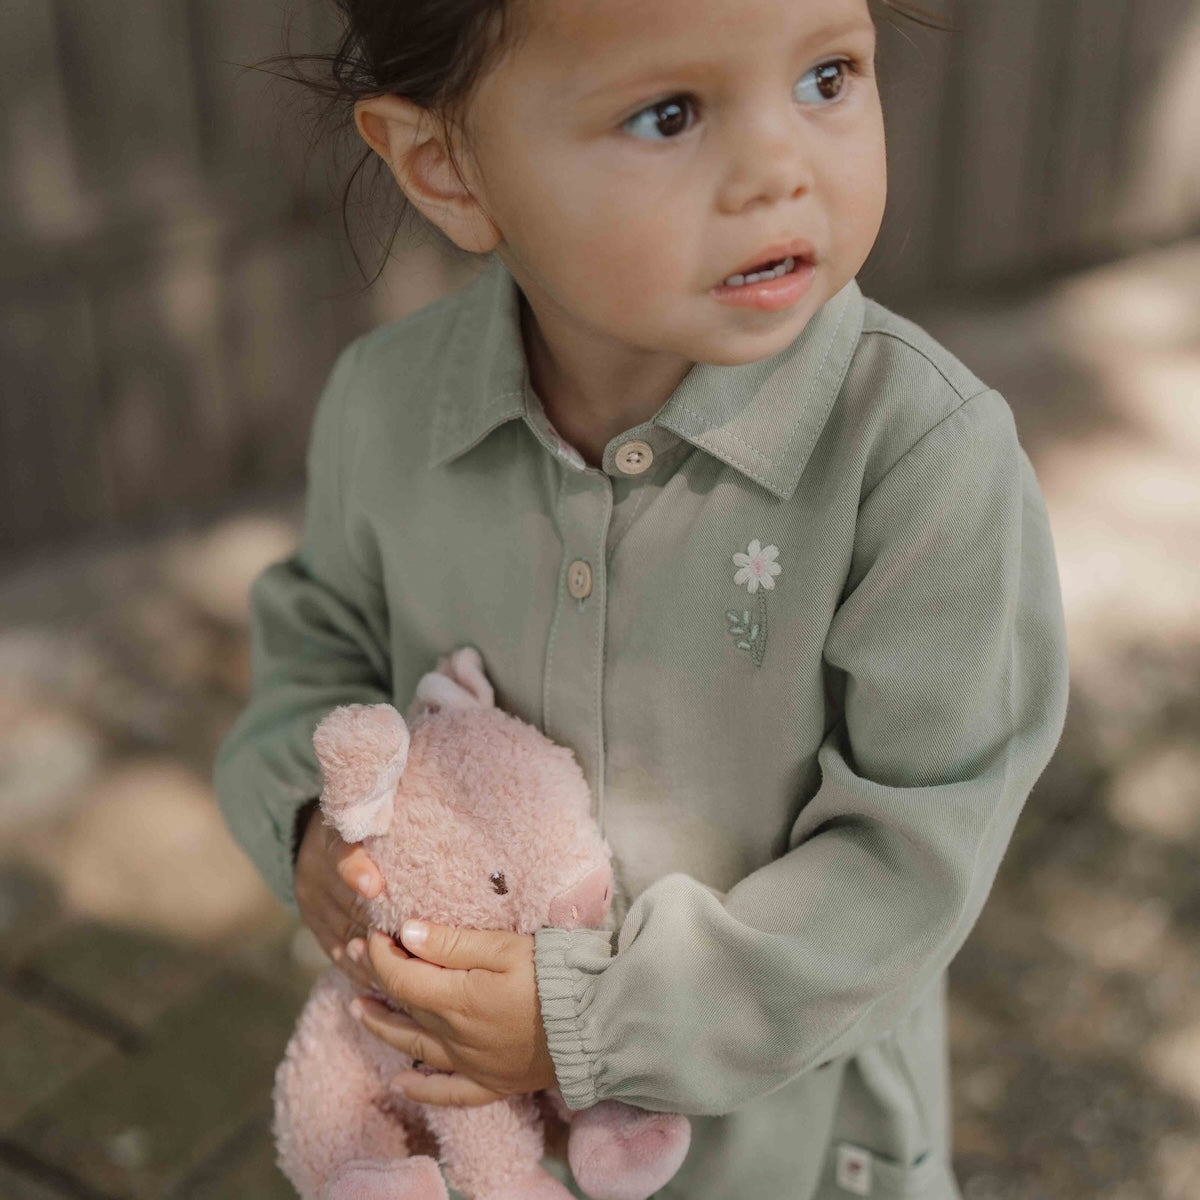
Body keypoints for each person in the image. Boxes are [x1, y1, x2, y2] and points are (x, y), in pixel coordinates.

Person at [213, 0, 1069, 1195]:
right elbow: (315, 650)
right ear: (445, 167)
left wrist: (594, 1016)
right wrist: (311, 820)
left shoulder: (920, 459)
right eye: (669, 113)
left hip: (791, 1155)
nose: (781, 168)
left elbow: (913, 855)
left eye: (827, 75)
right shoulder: (386, 406)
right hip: (475, 1144)